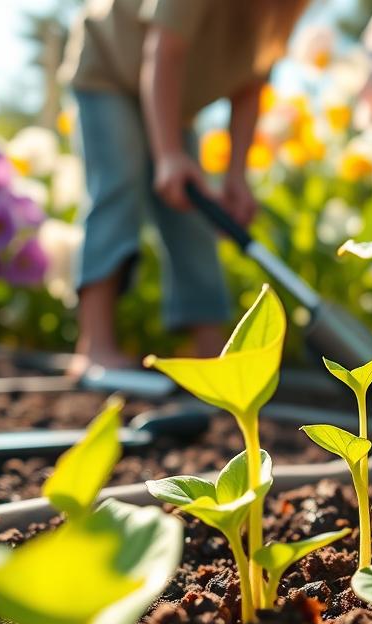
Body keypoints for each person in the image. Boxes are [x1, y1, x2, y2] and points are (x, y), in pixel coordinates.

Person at [60, 0, 309, 376]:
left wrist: (236, 177)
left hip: (172, 101)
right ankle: (95, 344)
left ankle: (211, 355)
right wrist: (169, 155)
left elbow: (251, 86)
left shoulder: (281, 9)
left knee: (191, 212)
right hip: (110, 69)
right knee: (117, 186)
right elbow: (164, 50)